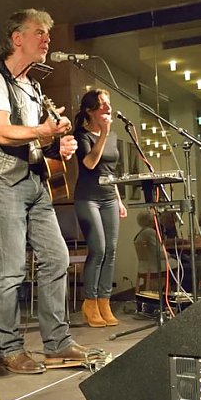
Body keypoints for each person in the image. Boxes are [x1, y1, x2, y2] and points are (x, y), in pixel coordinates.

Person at [0, 8, 84, 374]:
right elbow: (4, 132)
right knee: (11, 271)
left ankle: (57, 344)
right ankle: (8, 348)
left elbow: (36, 141)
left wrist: (57, 147)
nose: (47, 39)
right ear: (17, 38)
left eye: (48, 34)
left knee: (57, 258)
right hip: (2, 183)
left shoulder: (32, 86)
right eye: (39, 32)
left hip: (34, 182)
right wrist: (46, 132)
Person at [73, 88, 128, 328]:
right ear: (90, 111)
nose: (108, 108)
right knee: (98, 249)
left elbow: (110, 172)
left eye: (108, 103)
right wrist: (103, 134)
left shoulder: (114, 136)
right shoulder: (81, 135)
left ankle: (105, 301)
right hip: (88, 198)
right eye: (102, 104)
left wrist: (119, 199)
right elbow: (90, 163)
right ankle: (90, 302)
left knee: (112, 250)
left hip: (108, 197)